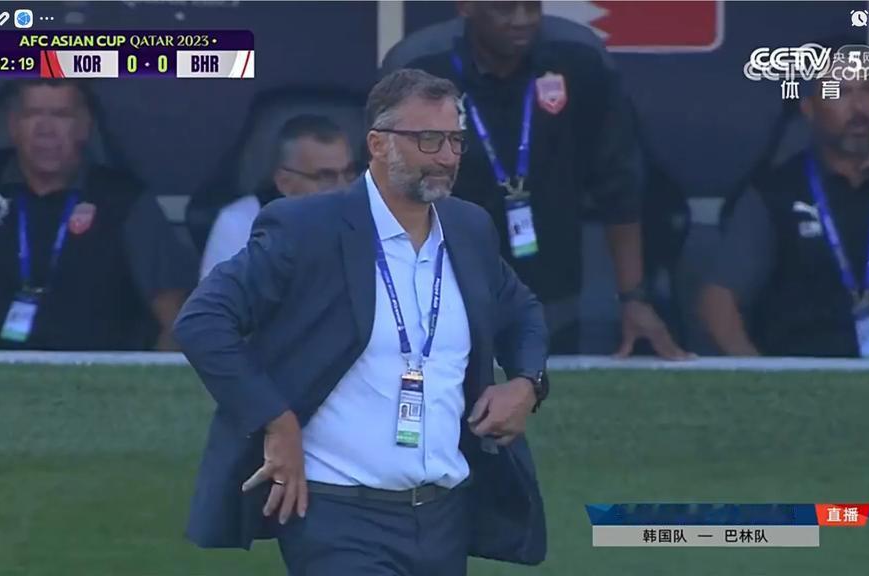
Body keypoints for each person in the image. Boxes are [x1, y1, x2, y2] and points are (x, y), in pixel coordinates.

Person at [174, 69, 551, 575]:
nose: (446, 156)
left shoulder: (468, 228)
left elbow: (522, 312)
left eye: (455, 141)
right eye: (428, 139)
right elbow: (202, 319)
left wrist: (526, 384)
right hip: (337, 516)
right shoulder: (307, 228)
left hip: (444, 514)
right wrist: (275, 419)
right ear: (377, 144)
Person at [382, 1, 688, 358]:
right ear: (466, 6)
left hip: (553, 286)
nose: (522, 20)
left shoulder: (579, 57)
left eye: (532, 6)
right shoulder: (419, 66)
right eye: (504, 9)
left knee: (545, 384)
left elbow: (619, 183)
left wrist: (633, 298)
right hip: (440, 287)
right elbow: (386, 188)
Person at [0, 79, 197, 351]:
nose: (46, 130)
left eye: (61, 115)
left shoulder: (124, 199)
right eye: (32, 114)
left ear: (84, 126)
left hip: (92, 371)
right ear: (13, 125)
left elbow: (175, 322)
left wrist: (140, 381)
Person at [699, 63, 869, 359]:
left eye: (866, 90)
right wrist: (761, 376)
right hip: (809, 372)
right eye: (840, 92)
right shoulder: (776, 192)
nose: (858, 107)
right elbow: (718, 300)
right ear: (809, 109)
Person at [199, 114, 357, 277]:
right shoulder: (239, 223)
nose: (343, 187)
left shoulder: (364, 218)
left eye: (349, 173)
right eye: (326, 177)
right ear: (285, 183)